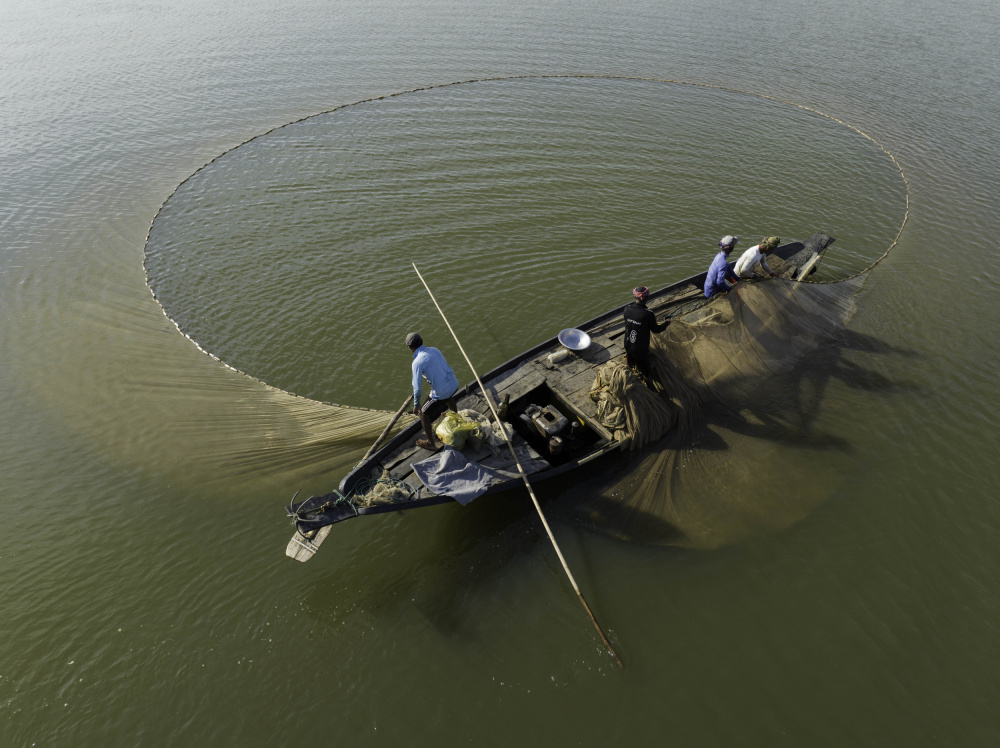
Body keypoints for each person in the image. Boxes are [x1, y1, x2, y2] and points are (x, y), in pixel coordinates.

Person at [406, 332, 460, 450]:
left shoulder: (417, 363)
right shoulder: (434, 350)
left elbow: (417, 388)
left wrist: (416, 404)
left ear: (410, 347)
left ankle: (430, 443)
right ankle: (456, 416)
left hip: (442, 391)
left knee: (423, 414)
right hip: (454, 384)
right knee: (448, 396)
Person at [623, 286, 668, 387]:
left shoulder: (627, 309)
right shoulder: (648, 314)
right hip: (640, 349)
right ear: (647, 297)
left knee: (630, 359)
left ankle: (629, 371)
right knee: (646, 371)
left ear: (635, 296)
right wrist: (666, 324)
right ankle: (650, 388)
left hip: (627, 343)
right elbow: (656, 330)